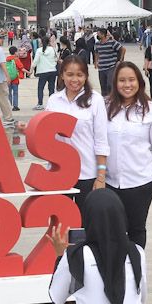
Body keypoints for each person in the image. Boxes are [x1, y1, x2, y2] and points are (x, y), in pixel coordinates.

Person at [105, 62, 152, 248]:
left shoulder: (151, 110)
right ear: (115, 83)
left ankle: (135, 271)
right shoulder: (105, 107)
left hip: (140, 182)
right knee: (112, 230)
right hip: (110, 182)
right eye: (122, 80)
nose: (127, 85)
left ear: (139, 82)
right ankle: (115, 270)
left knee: (136, 229)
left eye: (131, 80)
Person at [46, 55, 109, 208]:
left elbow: (101, 140)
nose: (75, 79)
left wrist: (101, 176)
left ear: (86, 76)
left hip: (87, 174)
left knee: (84, 226)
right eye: (70, 74)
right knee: (61, 225)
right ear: (62, 75)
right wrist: (27, 130)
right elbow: (45, 133)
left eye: (80, 75)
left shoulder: (95, 100)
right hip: (58, 173)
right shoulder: (54, 100)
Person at [94, 29, 125, 95]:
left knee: (110, 85)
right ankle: (104, 101)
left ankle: (112, 98)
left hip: (111, 66)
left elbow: (123, 49)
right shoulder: (97, 44)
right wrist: (96, 62)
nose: (97, 35)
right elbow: (96, 53)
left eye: (98, 34)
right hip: (101, 67)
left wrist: (120, 60)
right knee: (103, 86)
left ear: (103, 34)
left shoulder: (112, 42)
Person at [32, 35, 59, 109]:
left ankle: (40, 103)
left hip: (42, 71)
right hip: (52, 70)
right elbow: (56, 59)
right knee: (51, 88)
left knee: (40, 88)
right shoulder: (53, 49)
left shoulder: (39, 50)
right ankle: (52, 104)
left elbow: (35, 61)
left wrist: (31, 70)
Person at [5, 45, 28, 111]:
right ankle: (15, 106)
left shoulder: (7, 59)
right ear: (15, 52)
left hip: (8, 79)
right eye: (17, 51)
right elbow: (22, 68)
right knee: (15, 93)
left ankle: (9, 105)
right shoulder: (16, 59)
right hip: (15, 79)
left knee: (9, 93)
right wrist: (28, 72)